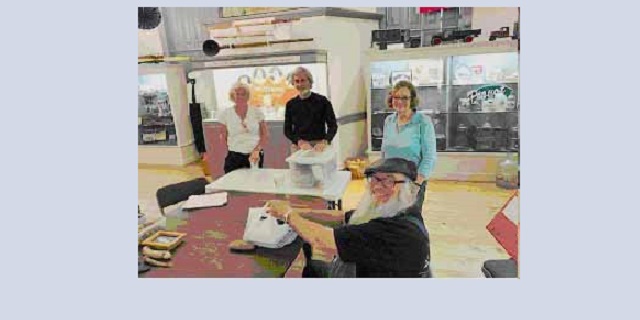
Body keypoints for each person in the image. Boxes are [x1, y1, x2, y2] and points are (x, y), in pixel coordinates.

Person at [266, 158, 431, 278]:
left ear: (409, 187)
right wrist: (299, 212)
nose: (378, 186)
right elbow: (342, 217)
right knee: (310, 256)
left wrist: (288, 215)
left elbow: (323, 240)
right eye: (374, 180)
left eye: (389, 181)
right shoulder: (402, 211)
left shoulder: (395, 231)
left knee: (309, 254)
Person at [381, 80, 437, 209]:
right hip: (390, 181)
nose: (399, 101)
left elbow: (429, 157)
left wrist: (416, 184)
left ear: (412, 100)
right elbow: (384, 153)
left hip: (412, 181)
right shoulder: (389, 120)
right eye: (396, 97)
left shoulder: (423, 122)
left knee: (409, 223)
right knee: (390, 217)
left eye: (405, 98)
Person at [284, 66, 338, 153]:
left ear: (310, 82)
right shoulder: (291, 104)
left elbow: (333, 126)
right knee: (298, 167)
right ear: (293, 84)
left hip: (319, 144)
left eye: (303, 80)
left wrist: (325, 141)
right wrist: (299, 141)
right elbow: (287, 130)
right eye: (297, 81)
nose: (300, 84)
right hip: (299, 146)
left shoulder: (322, 101)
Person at [218, 82, 269, 173]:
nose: (240, 97)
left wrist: (257, 150)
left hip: (254, 155)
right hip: (234, 156)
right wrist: (228, 151)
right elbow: (223, 136)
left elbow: (265, 134)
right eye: (237, 94)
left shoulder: (257, 112)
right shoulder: (226, 113)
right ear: (232, 96)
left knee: (254, 183)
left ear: (248, 96)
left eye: (243, 94)